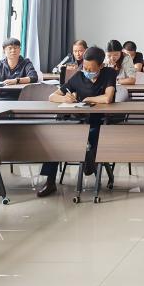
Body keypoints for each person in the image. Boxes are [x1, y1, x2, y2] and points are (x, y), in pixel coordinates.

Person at [36, 46, 116, 197]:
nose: (87, 71)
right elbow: (52, 96)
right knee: (55, 138)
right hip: (79, 120)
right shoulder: (79, 76)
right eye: (84, 67)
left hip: (100, 122)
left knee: (89, 136)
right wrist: (65, 99)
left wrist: (87, 98)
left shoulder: (109, 73)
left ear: (101, 66)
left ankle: (89, 159)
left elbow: (107, 98)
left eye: (91, 69)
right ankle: (50, 181)